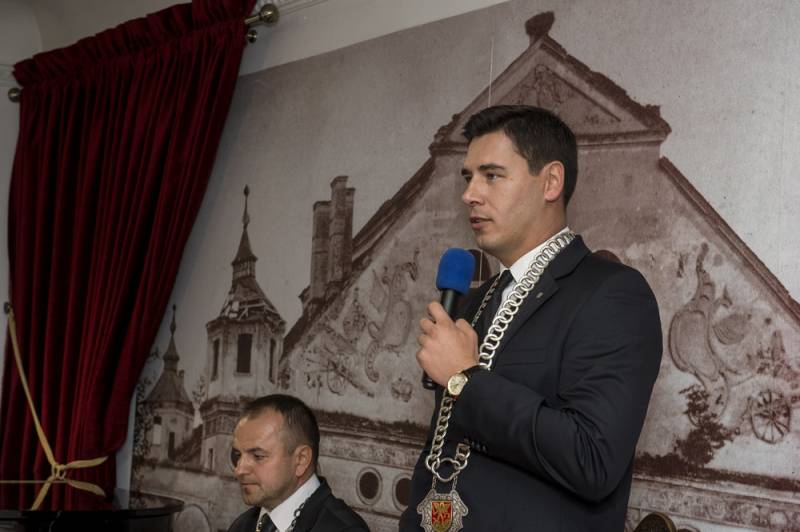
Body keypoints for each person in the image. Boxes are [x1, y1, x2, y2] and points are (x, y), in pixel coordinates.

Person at [400, 105, 662, 531]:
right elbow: (442, 448)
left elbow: (592, 459)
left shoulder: (612, 294)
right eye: (468, 178)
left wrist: (465, 380)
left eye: (492, 175)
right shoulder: (473, 302)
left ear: (551, 182)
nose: (470, 195)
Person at [227, 394, 369, 532]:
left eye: (258, 456)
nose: (239, 470)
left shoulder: (345, 529)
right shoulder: (241, 526)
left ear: (301, 459)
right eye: (238, 455)